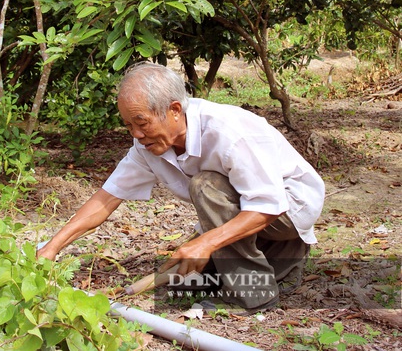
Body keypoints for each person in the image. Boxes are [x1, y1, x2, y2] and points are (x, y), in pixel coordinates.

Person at [37, 62, 325, 313]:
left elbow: (267, 205)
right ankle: (280, 265)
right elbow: (106, 198)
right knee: (187, 277)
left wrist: (206, 242)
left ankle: (255, 296)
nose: (136, 135)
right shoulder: (146, 147)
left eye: (142, 123)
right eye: (128, 126)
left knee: (205, 186)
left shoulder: (228, 132)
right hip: (244, 211)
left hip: (289, 210)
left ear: (175, 110)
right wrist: (52, 247)